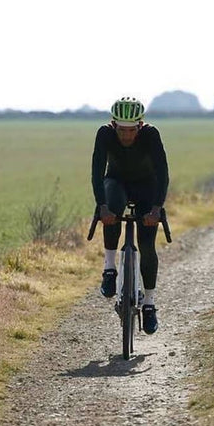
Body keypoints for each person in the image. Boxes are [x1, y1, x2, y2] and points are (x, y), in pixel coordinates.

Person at [91, 96, 169, 335]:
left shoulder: (151, 135)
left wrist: (156, 209)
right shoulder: (104, 134)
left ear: (141, 125)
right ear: (113, 125)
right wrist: (102, 207)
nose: (126, 136)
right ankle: (109, 269)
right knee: (112, 207)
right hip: (117, 182)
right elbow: (96, 172)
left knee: (146, 245)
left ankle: (149, 304)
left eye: (131, 130)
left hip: (147, 185)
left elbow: (163, 172)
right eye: (121, 131)